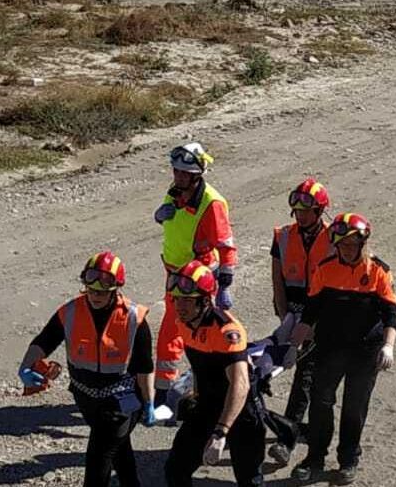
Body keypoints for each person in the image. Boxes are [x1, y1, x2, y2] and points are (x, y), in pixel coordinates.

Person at [19, 251, 154, 487]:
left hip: (122, 402)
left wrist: (149, 402)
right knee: (120, 454)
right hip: (86, 398)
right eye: (91, 289)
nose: (96, 295)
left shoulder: (134, 318)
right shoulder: (70, 312)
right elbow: (44, 341)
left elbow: (144, 367)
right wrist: (25, 367)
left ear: (116, 289)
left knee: (98, 460)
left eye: (102, 290)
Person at [289, 213, 396, 485]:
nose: (347, 250)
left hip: (365, 351)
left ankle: (349, 459)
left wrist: (388, 345)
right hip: (330, 349)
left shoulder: (378, 271)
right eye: (342, 245)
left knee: (354, 406)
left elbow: (391, 313)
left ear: (363, 244)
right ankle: (314, 457)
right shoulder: (325, 269)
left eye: (352, 245)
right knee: (320, 402)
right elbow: (310, 313)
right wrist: (293, 346)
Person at [163, 261, 267, 487]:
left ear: (204, 300)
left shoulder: (226, 331)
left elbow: (239, 385)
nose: (179, 306)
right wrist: (194, 391)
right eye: (176, 299)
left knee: (250, 480)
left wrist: (221, 433)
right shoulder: (184, 323)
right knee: (175, 470)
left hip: (240, 411)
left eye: (187, 300)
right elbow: (200, 366)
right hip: (207, 406)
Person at [153, 143, 237, 415]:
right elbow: (174, 223)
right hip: (174, 273)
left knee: (196, 332)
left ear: (197, 175)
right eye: (176, 171)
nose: (178, 176)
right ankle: (165, 392)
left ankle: (204, 388)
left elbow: (226, 245)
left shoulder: (211, 203)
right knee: (171, 329)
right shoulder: (175, 192)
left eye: (184, 173)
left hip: (198, 278)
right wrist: (160, 215)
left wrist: (224, 284)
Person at [267, 179, 336, 465]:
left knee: (306, 374)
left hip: (323, 316)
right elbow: (277, 281)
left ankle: (286, 439)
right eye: (297, 210)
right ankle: (305, 428)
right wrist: (285, 318)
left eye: (306, 211)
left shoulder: (335, 238)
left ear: (320, 211)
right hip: (292, 313)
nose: (301, 215)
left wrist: (315, 324)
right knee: (280, 367)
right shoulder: (283, 236)